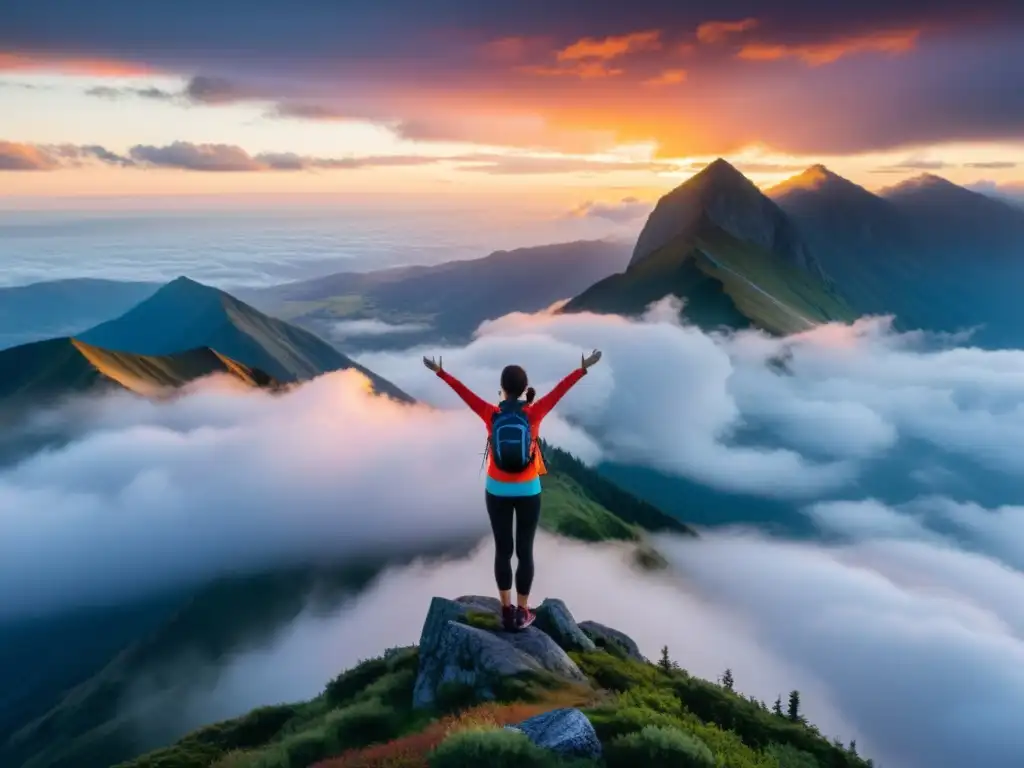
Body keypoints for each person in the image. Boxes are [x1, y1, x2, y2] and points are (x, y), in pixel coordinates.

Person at [423, 350, 602, 631]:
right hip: (528, 490)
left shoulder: (491, 414)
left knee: (503, 550)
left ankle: (505, 611)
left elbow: (464, 393)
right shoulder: (533, 413)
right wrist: (582, 369)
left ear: (502, 389)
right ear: (523, 388)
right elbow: (559, 392)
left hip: (496, 489)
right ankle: (522, 612)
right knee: (525, 552)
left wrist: (440, 372)